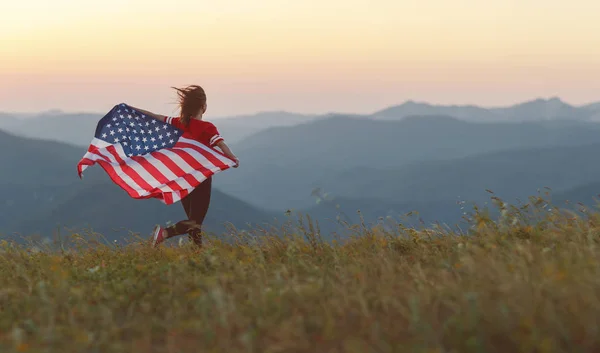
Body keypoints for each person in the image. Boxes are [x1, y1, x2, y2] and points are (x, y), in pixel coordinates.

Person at [129, 85, 239, 249]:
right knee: (195, 222)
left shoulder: (178, 123)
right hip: (200, 179)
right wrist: (233, 159)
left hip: (182, 180)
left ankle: (197, 257)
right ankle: (165, 233)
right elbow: (221, 145)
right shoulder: (207, 128)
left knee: (194, 224)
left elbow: (155, 117)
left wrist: (131, 109)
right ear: (203, 106)